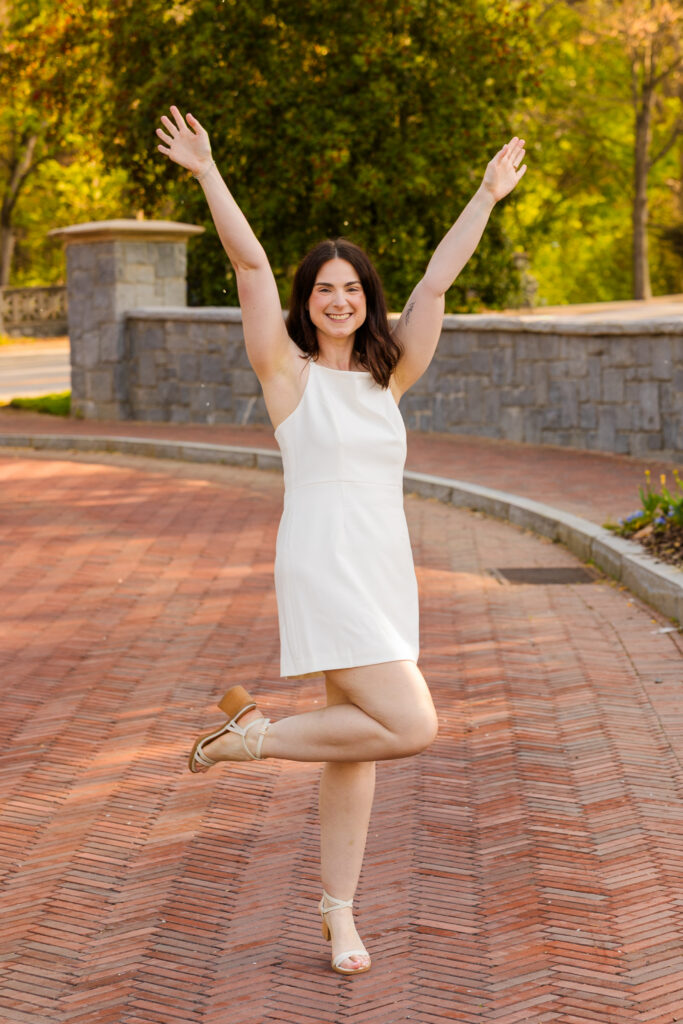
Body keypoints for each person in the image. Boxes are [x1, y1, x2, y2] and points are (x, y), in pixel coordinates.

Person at [157, 105, 527, 977]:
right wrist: (209, 173)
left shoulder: (386, 376)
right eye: (323, 288)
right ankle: (247, 739)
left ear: (366, 299)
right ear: (307, 301)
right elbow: (247, 262)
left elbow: (435, 286)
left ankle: (338, 915)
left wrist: (483, 195)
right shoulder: (285, 376)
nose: (338, 298)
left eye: (351, 287)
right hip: (322, 561)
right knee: (410, 722)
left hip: (381, 567)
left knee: (359, 742)